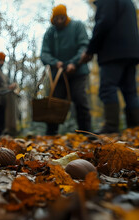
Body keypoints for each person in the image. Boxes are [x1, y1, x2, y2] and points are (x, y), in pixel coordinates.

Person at [79, 0, 139, 133]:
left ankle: (111, 127)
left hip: (113, 52)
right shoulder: (128, 2)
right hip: (132, 51)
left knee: (107, 88)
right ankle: (136, 129)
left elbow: (104, 23)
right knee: (130, 91)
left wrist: (90, 50)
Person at [40, 4, 92, 135]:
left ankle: (86, 132)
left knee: (80, 99)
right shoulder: (50, 33)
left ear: (66, 16)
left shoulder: (77, 26)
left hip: (78, 71)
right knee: (54, 102)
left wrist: (74, 63)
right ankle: (51, 134)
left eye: (61, 18)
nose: (59, 21)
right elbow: (44, 54)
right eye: (56, 18)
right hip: (58, 73)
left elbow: (84, 46)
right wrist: (55, 62)